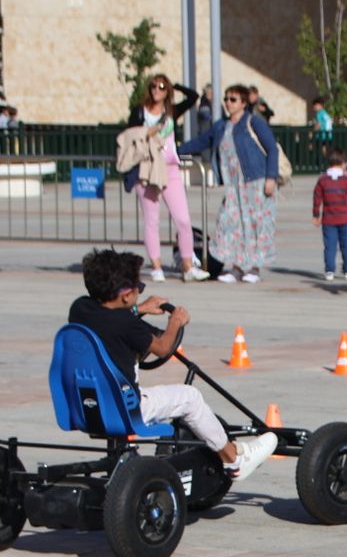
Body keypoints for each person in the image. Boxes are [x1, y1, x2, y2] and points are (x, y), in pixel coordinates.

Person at [68, 249, 274, 481]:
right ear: (125, 295)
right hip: (124, 410)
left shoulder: (79, 309)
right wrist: (175, 322)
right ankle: (234, 458)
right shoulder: (127, 324)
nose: (139, 291)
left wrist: (139, 308)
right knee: (190, 397)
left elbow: (110, 321)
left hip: (86, 407)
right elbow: (163, 348)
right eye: (138, 288)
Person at [179, 84, 282, 284]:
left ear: (243, 103)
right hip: (233, 187)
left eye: (233, 99)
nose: (228, 103)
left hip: (255, 182)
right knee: (230, 224)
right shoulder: (221, 126)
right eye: (226, 99)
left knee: (255, 226)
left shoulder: (254, 122)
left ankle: (253, 267)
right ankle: (236, 267)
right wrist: (175, 151)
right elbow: (201, 141)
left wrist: (271, 177)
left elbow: (272, 149)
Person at [129, 74, 208, 283]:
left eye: (162, 87)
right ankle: (156, 267)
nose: (157, 90)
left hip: (170, 168)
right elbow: (130, 135)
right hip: (147, 169)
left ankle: (188, 266)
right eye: (154, 86)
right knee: (151, 220)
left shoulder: (171, 111)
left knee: (183, 219)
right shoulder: (140, 111)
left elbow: (193, 97)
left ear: (167, 91)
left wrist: (177, 86)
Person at [312, 146, 347, 280]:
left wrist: (316, 215)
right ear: (343, 163)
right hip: (344, 219)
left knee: (330, 246)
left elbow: (317, 198)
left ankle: (329, 271)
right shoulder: (346, 179)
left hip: (328, 220)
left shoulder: (322, 179)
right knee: (346, 245)